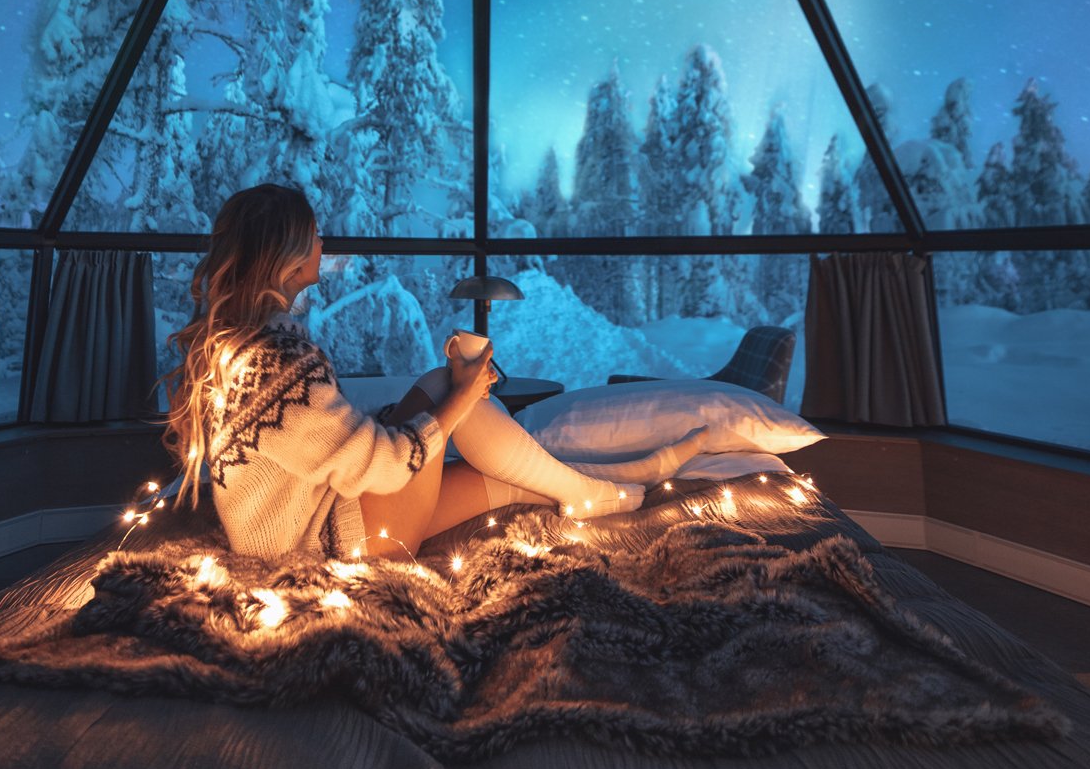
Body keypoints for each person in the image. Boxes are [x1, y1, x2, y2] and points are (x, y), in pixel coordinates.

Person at [164, 184, 706, 561]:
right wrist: (464, 396)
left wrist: (449, 400)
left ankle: (607, 486)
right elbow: (384, 463)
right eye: (315, 234)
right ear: (286, 255)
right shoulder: (276, 361)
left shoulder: (243, 348)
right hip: (335, 546)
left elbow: (323, 445)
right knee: (450, 386)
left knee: (508, 481)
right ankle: (611, 483)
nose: (324, 243)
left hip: (324, 516)